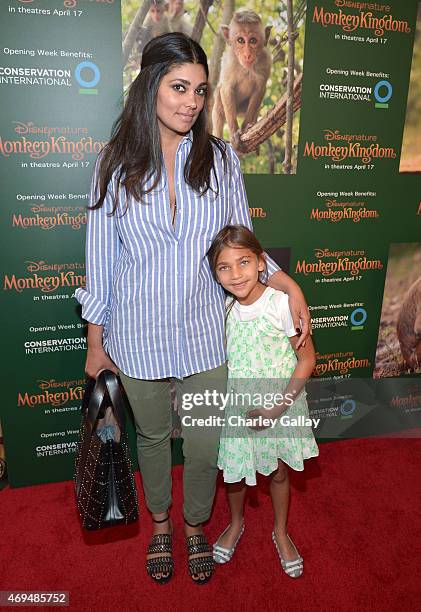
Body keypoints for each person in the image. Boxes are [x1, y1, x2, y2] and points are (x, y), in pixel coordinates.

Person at [75, 32, 311, 585]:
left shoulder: (221, 159)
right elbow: (101, 265)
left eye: (201, 91)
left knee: (205, 442)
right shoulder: (113, 164)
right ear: (150, 86)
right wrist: (96, 343)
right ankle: (160, 525)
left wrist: (289, 285)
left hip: (208, 335)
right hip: (138, 336)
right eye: (179, 87)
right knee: (153, 440)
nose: (191, 102)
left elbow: (242, 247)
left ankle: (196, 525)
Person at [207, 225, 319, 578]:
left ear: (261, 264)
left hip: (280, 408)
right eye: (224, 267)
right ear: (215, 273)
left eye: (243, 262)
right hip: (239, 410)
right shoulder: (223, 310)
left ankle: (281, 531)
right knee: (235, 475)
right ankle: (236, 523)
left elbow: (307, 360)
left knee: (279, 471)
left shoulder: (280, 304)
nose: (235, 274)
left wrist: (277, 408)